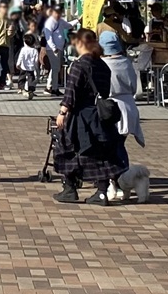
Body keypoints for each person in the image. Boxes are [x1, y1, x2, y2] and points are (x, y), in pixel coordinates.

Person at [54, 29, 128, 206]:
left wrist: (63, 112)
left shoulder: (79, 65)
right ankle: (101, 192)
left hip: (80, 115)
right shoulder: (102, 65)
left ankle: (70, 188)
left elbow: (71, 91)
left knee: (69, 149)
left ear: (80, 43)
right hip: (99, 116)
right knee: (100, 152)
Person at [99, 30, 144, 154]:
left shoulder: (102, 64)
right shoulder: (126, 62)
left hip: (109, 108)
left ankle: (116, 170)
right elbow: (134, 87)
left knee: (109, 146)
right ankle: (122, 169)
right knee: (119, 145)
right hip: (129, 107)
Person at [42, 6, 71, 96]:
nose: (58, 14)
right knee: (56, 68)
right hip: (53, 49)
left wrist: (77, 20)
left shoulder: (60, 21)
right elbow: (48, 36)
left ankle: (51, 86)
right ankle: (53, 88)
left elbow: (68, 25)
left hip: (59, 48)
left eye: (59, 12)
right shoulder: (50, 22)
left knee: (56, 68)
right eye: (56, 12)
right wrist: (54, 47)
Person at [16, 33, 41, 99]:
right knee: (31, 79)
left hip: (24, 67)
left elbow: (20, 57)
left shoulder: (23, 49)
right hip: (31, 67)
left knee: (22, 78)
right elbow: (36, 60)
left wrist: (18, 64)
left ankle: (22, 88)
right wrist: (36, 67)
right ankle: (31, 90)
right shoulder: (35, 50)